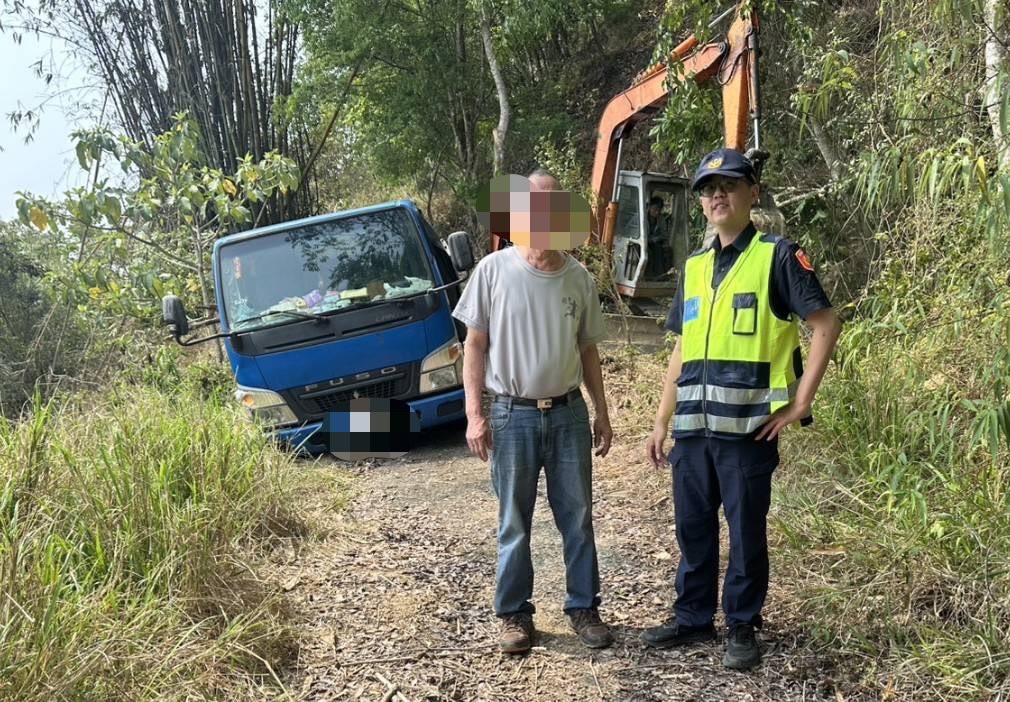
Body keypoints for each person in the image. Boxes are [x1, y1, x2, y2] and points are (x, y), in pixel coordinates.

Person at [641, 148, 841, 670]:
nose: (716, 196)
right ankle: (692, 618)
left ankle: (743, 624)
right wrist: (662, 418)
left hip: (749, 429)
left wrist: (802, 401)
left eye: (728, 185)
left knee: (746, 530)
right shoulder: (694, 266)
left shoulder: (777, 256)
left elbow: (825, 323)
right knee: (694, 526)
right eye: (708, 189)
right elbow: (682, 349)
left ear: (752, 192)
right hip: (692, 428)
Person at [453, 169, 615, 654]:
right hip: (511, 415)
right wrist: (474, 413)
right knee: (513, 519)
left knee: (578, 515)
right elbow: (474, 345)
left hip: (566, 415)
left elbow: (588, 351)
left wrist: (600, 411)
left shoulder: (578, 278)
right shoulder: (493, 270)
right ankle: (514, 615)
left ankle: (584, 608)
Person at [645, 195, 671, 278]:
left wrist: (657, 238)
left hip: (655, 243)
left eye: (659, 210)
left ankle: (659, 275)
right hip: (643, 242)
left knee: (660, 249)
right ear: (649, 207)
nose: (656, 212)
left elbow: (664, 234)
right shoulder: (643, 217)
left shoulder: (661, 219)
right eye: (655, 209)